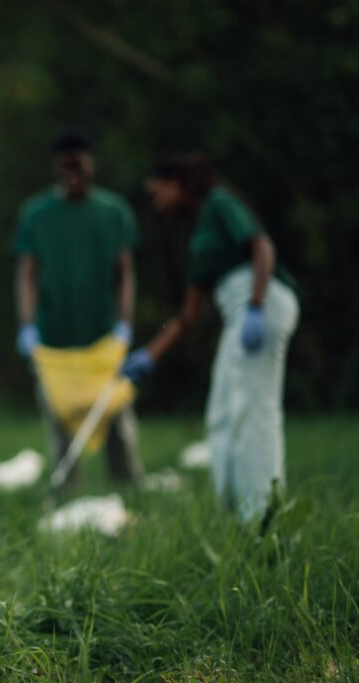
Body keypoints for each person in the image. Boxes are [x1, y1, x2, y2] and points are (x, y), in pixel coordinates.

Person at [122, 153, 299, 524]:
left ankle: (264, 516)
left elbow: (261, 246)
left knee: (255, 411)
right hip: (239, 314)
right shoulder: (198, 233)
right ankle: (233, 511)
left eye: (158, 193)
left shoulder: (219, 202)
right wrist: (149, 355)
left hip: (261, 305)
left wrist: (255, 305)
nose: (157, 204)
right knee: (220, 414)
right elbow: (187, 317)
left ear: (177, 182)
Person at [13, 129, 142, 485]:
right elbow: (27, 274)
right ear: (55, 167)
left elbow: (126, 272)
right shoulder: (37, 214)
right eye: (65, 166)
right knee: (59, 421)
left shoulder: (114, 212)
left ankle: (129, 485)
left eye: (79, 165)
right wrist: (27, 323)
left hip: (102, 333)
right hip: (53, 336)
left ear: (92, 165)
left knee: (118, 417)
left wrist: (125, 322)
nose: (72, 174)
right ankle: (67, 490)